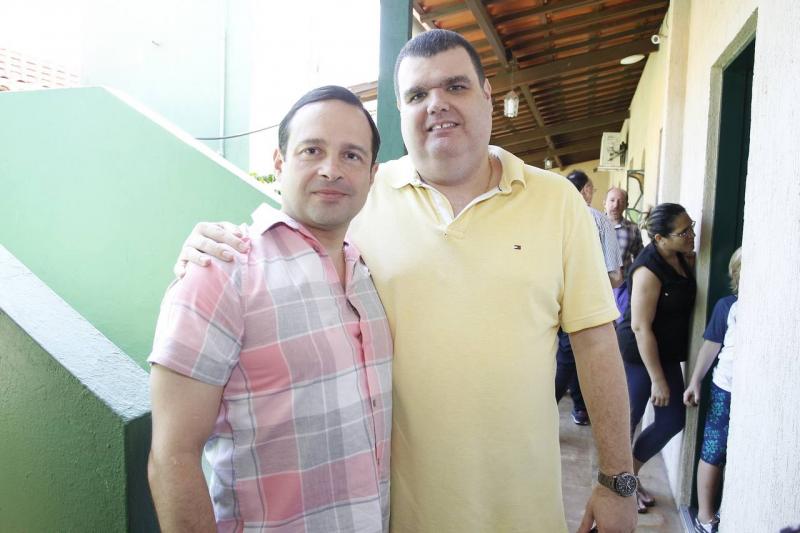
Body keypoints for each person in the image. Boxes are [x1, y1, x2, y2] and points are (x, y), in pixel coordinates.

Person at [176, 30, 638, 533]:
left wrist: (617, 479)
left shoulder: (556, 200)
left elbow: (595, 343)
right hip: (394, 516)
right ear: (400, 110)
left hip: (524, 511)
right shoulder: (361, 194)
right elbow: (284, 233)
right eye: (417, 94)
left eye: (455, 86)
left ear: (487, 95)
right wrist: (209, 245)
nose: (436, 104)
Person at [147, 86, 393, 532]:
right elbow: (171, 457)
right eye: (312, 150)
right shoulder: (222, 271)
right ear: (279, 163)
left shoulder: (370, 272)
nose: (331, 169)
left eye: (351, 155)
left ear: (372, 174)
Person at [616, 203, 697, 513]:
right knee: (629, 419)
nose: (692, 235)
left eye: (691, 227)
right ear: (660, 238)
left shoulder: (681, 256)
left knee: (672, 419)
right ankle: (619, 490)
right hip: (639, 352)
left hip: (665, 351)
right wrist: (658, 380)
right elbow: (640, 327)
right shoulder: (648, 270)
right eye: (684, 232)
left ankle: (630, 477)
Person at [555, 170, 622, 426]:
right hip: (586, 306)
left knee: (563, 358)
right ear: (585, 191)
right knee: (574, 359)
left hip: (549, 302)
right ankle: (543, 414)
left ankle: (578, 408)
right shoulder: (599, 221)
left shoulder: (550, 218)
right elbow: (615, 275)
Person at [683, 247, 742, 533]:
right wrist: (695, 380)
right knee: (713, 448)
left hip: (749, 396)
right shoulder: (728, 306)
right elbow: (711, 345)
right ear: (737, 276)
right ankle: (705, 515)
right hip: (724, 389)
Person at [604, 187, 644, 319]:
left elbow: (640, 258)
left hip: (622, 289)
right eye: (612, 200)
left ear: (626, 205)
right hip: (596, 286)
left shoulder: (633, 229)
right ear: (604, 202)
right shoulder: (592, 226)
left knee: (621, 324)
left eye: (620, 201)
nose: (615, 205)